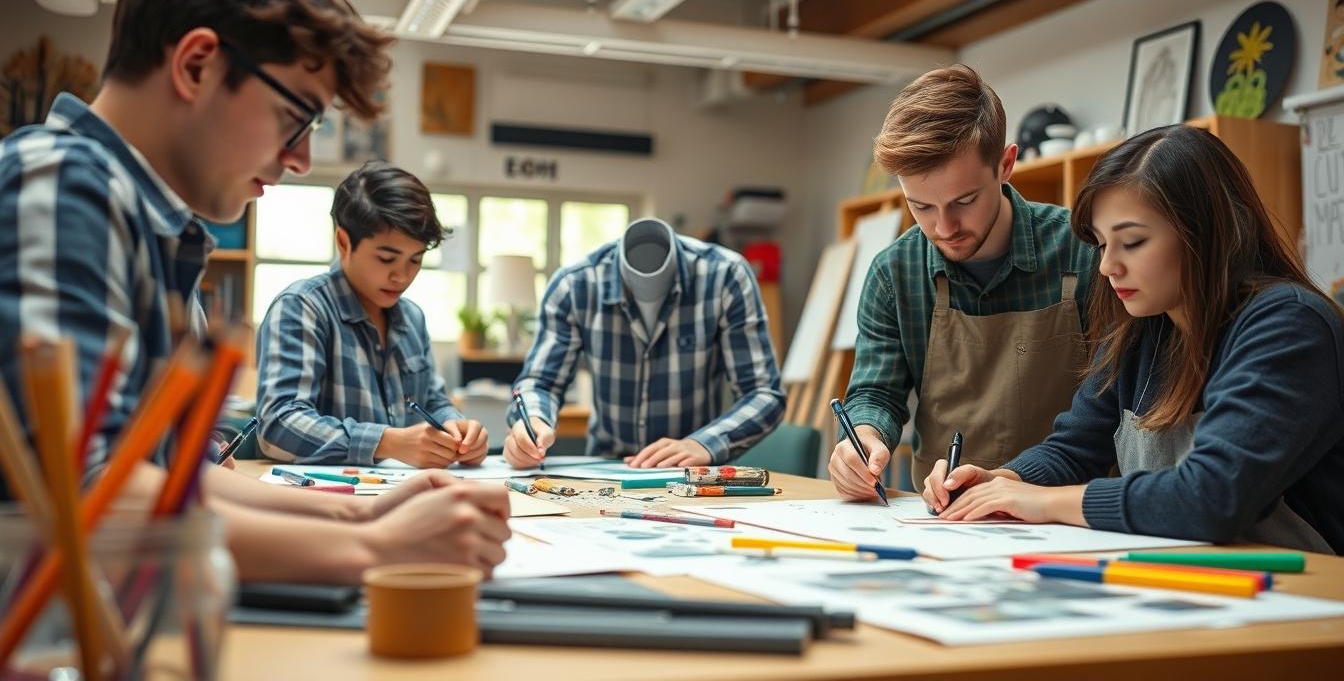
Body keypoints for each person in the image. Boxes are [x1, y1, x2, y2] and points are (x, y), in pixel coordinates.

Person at [0, 0, 508, 581]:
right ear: (197, 65)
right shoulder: (59, 183)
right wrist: (375, 551)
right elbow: (80, 491)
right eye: (295, 118)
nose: (299, 159)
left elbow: (173, 478)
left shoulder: (151, 230)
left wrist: (361, 517)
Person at [923, 124, 1344, 554]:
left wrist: (1044, 501)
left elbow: (1211, 497)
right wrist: (1001, 482)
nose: (1107, 267)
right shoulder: (1141, 329)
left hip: (1305, 598)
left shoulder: (1289, 326)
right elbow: (1073, 451)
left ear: (1206, 232)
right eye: (1103, 245)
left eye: (1132, 242)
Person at [830, 64, 1097, 500]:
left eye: (965, 200)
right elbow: (876, 391)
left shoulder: (1083, 252)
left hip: (1066, 513)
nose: (944, 227)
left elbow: (1108, 411)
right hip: (944, 516)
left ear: (1006, 165)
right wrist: (862, 440)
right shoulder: (894, 273)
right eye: (921, 206)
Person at [255, 161, 488, 468]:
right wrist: (386, 442)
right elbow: (278, 425)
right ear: (343, 242)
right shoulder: (302, 307)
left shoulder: (412, 318)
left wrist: (457, 430)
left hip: (407, 496)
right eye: (386, 258)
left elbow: (432, 402)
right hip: (328, 503)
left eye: (415, 260)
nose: (402, 276)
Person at [503, 217, 785, 468]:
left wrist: (705, 443)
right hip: (606, 471)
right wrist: (531, 423)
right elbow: (540, 383)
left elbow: (763, 392)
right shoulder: (574, 285)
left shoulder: (725, 276)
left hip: (692, 474)